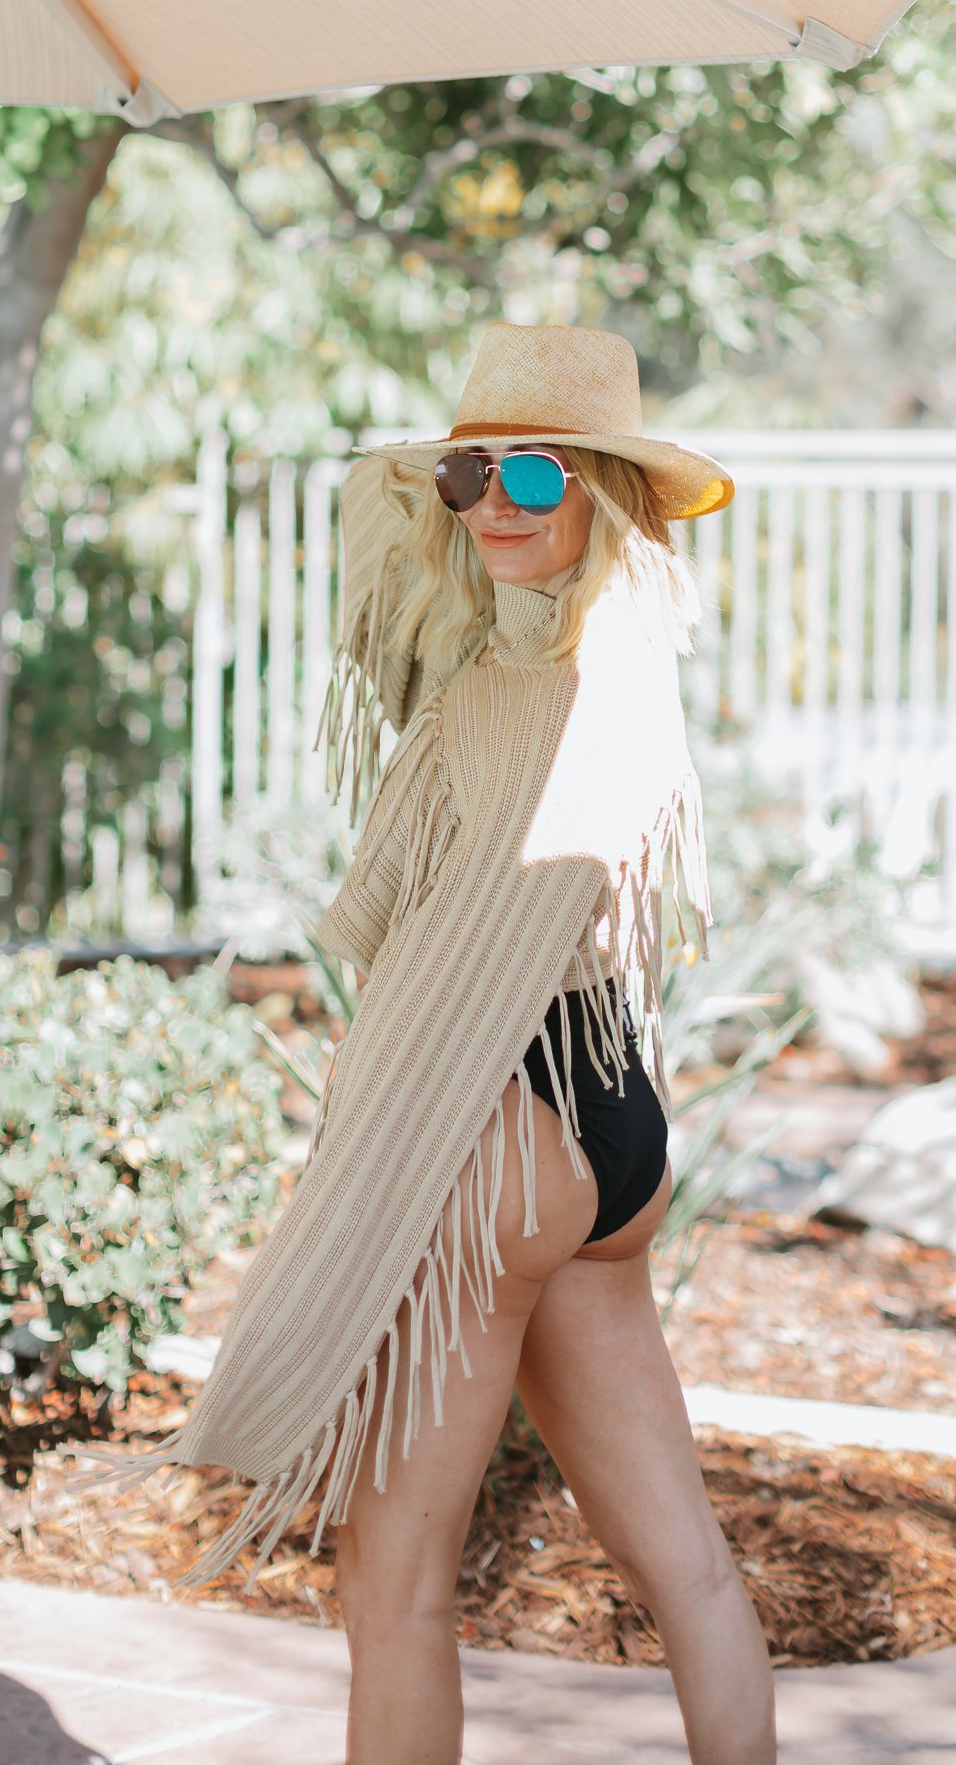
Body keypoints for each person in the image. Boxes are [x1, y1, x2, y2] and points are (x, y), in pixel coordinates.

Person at [144, 324, 775, 1764]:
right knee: (686, 1567)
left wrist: (368, 1165)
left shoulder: (554, 693)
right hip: (609, 1143)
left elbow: (482, 937)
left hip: (498, 1131)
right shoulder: (608, 658)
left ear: (606, 491)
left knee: (392, 1589)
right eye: (473, 471)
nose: (495, 500)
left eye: (538, 472)